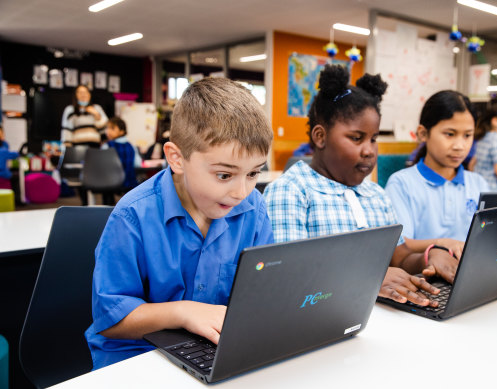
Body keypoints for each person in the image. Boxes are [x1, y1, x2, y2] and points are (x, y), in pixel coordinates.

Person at [85, 77, 274, 369]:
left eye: (253, 174)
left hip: (213, 350)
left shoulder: (254, 210)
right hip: (136, 356)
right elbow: (112, 320)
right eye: (225, 175)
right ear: (176, 158)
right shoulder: (132, 217)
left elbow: (262, 293)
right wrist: (184, 312)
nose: (241, 193)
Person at [263, 64, 457, 308]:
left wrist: (428, 257)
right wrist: (370, 279)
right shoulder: (291, 191)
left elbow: (399, 255)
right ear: (320, 137)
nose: (368, 150)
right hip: (320, 319)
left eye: (374, 139)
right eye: (356, 138)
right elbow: (289, 274)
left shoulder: (375, 194)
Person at [385, 90, 490, 252]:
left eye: (467, 135)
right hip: (421, 274)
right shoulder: (401, 183)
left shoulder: (478, 183)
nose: (459, 146)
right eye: (450, 134)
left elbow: (487, 236)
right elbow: (399, 245)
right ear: (423, 133)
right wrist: (444, 243)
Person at [103, 116, 141, 192]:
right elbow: (138, 164)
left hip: (110, 182)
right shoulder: (132, 146)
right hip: (130, 182)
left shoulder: (107, 146)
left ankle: (107, 202)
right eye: (107, 128)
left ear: (122, 131)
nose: (108, 131)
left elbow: (102, 165)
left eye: (112, 128)